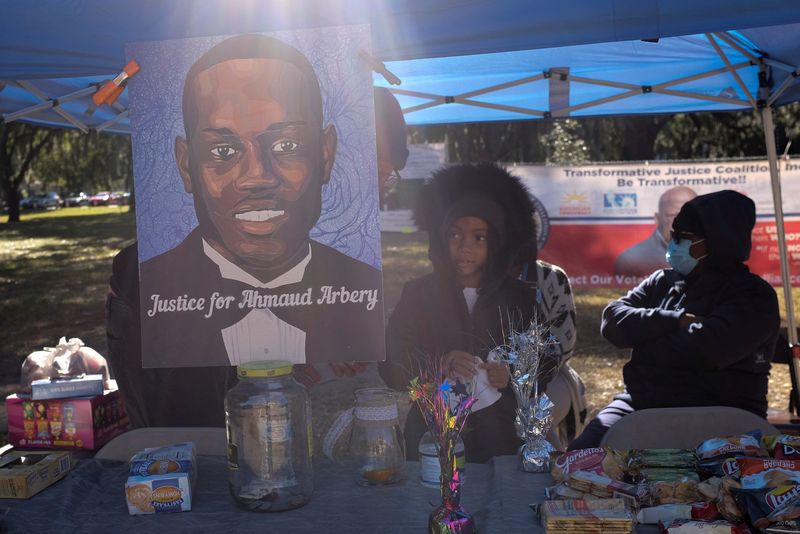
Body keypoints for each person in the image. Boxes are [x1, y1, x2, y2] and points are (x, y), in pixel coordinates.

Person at [107, 85, 410, 428]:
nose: (374, 192)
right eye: (369, 173)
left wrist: (329, 346)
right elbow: (164, 421)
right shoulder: (147, 280)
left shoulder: (347, 269)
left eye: (383, 177)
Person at [139, 34, 383, 368]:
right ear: (186, 166)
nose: (258, 176)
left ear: (326, 155)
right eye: (222, 151)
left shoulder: (368, 290)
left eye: (286, 146)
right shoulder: (143, 293)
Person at [570, 189, 779, 449]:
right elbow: (612, 321)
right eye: (673, 236)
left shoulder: (754, 296)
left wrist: (642, 339)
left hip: (724, 414)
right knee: (581, 457)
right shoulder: (662, 281)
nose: (673, 244)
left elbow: (708, 350)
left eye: (684, 238)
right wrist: (674, 321)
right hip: (640, 404)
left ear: (717, 242)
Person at [381, 162, 539, 463]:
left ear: (497, 243)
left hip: (502, 436)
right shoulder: (418, 295)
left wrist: (513, 374)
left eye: (479, 237)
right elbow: (392, 363)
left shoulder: (520, 298)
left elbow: (542, 362)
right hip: (430, 436)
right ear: (440, 238)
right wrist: (437, 364)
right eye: (455, 235)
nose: (465, 246)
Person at [514, 239, 587, 449]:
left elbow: (562, 347)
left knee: (533, 414)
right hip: (484, 379)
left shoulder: (551, 277)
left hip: (546, 379)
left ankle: (553, 469)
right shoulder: (472, 276)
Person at [615, 186, 697, 278]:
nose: (682, 222)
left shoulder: (711, 250)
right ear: (657, 219)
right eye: (672, 216)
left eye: (690, 215)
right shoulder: (632, 259)